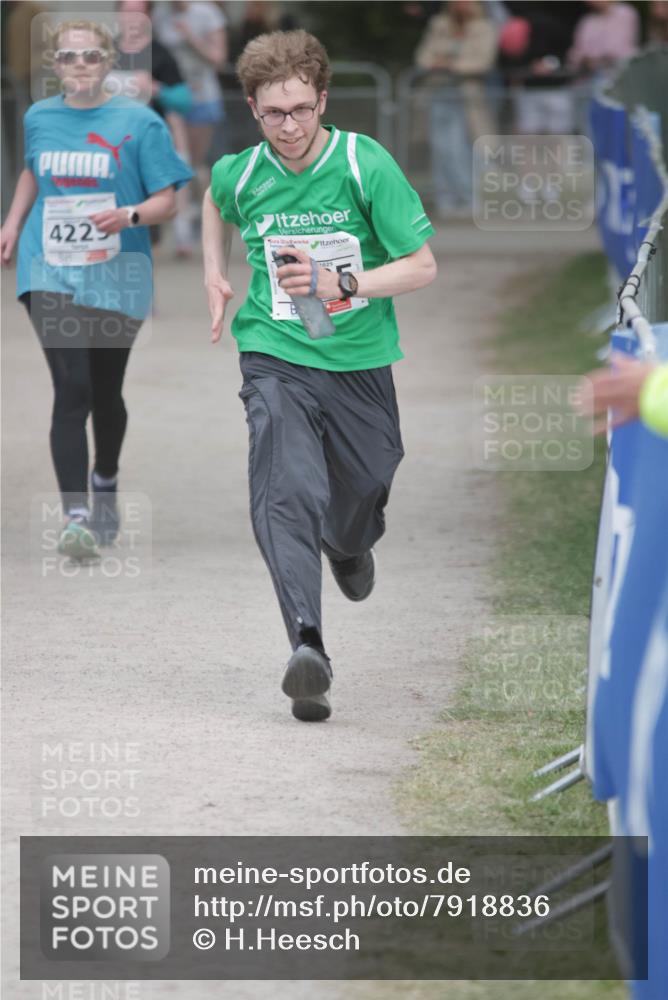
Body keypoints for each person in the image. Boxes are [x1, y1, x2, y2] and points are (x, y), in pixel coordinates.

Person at [202, 29, 437, 723]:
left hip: (359, 361)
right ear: (253, 109)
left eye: (302, 108)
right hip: (275, 353)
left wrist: (344, 281)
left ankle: (349, 541)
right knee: (285, 488)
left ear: (324, 100)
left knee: (364, 486)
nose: (291, 126)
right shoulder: (242, 173)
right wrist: (215, 272)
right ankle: (308, 647)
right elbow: (214, 199)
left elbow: (422, 266)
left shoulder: (365, 165)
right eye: (275, 113)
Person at [0, 19, 192, 559]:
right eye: (68, 57)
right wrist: (14, 222)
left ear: (108, 63)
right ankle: (76, 517)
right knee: (73, 387)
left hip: (117, 273)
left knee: (106, 393)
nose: (79, 65)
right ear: (55, 65)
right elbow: (33, 172)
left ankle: (104, 480)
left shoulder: (140, 122)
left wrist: (128, 214)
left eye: (89, 56)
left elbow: (167, 200)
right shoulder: (39, 116)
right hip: (49, 267)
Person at [152, 1, 227, 256]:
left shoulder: (207, 13)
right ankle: (182, 230)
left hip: (202, 98)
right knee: (178, 163)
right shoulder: (160, 14)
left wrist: (191, 38)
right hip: (172, 99)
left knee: (194, 166)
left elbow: (219, 58)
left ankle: (198, 212)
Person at [415, 0, 497, 220]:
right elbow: (423, 57)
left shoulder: (484, 27)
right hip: (439, 94)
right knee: (442, 148)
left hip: (467, 97)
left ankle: (471, 198)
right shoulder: (439, 24)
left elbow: (482, 62)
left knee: (465, 148)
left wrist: (449, 64)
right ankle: (447, 199)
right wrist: (442, 62)